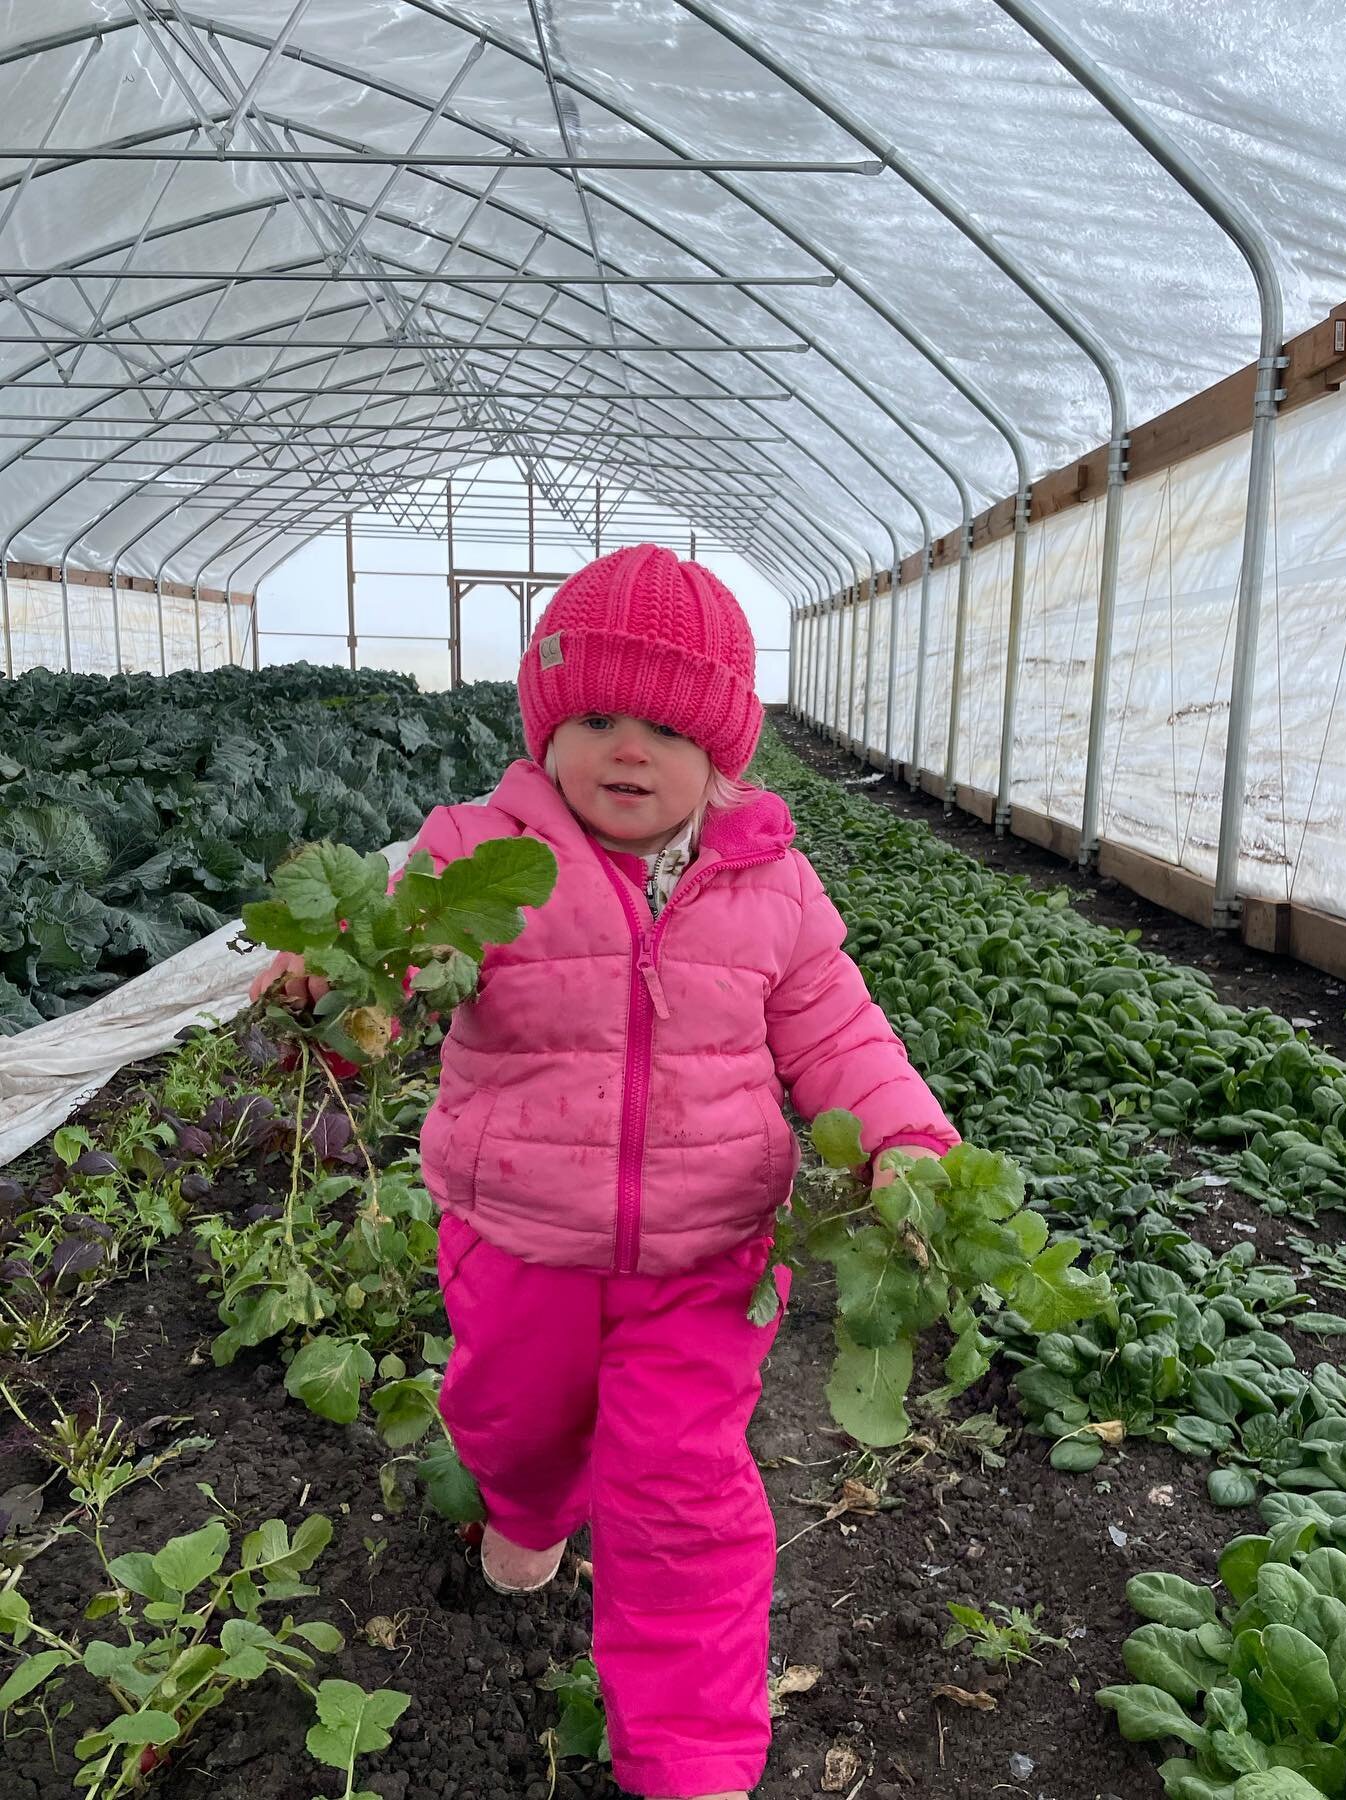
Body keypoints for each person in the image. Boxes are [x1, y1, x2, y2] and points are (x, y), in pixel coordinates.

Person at [250, 543, 959, 1800]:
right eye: (595, 718)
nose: (628, 751)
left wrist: (906, 1146)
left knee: (684, 1505)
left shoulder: (773, 887)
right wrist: (331, 982)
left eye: (669, 730)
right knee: (510, 1428)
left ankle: (689, 1764)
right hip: (517, 1240)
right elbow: (387, 979)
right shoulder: (475, 855)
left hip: (706, 1261)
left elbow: (841, 1035)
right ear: (544, 725)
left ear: (725, 754)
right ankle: (524, 1512)